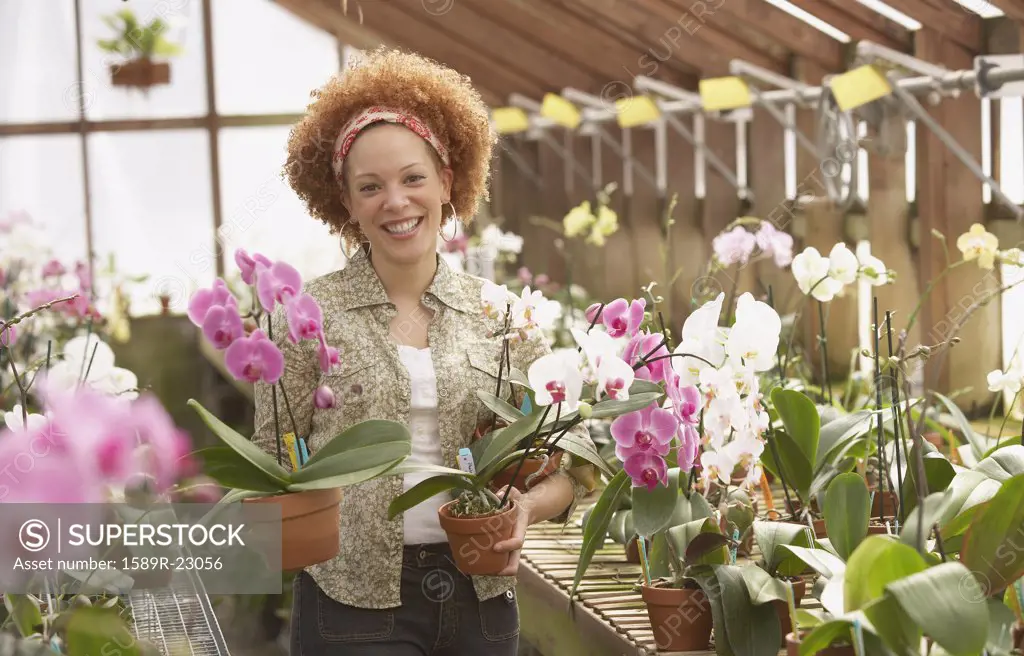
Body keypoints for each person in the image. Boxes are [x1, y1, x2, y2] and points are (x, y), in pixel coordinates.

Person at [252, 47, 599, 655]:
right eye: (370, 187)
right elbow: (271, 465)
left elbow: (573, 466)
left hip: (481, 600)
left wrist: (527, 509)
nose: (396, 201)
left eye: (413, 177)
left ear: (447, 180)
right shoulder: (306, 318)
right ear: (346, 203)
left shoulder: (503, 316)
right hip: (351, 605)